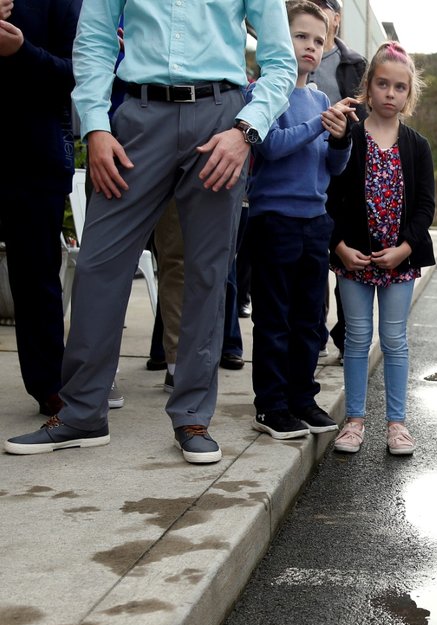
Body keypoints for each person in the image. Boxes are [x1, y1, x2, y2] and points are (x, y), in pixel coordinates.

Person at [4, 0, 297, 464]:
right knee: (99, 264)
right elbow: (95, 44)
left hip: (222, 123)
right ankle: (81, 411)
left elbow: (281, 60)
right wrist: (95, 128)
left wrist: (246, 130)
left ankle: (192, 417)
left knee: (205, 272)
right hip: (138, 119)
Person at [248, 0, 352, 440]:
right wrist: (316, 127)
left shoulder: (321, 98)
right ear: (278, 39)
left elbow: (332, 168)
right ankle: (271, 405)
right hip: (274, 219)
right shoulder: (263, 93)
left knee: (310, 316)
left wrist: (341, 140)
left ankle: (301, 397)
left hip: (315, 221)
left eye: (318, 40)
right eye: (300, 37)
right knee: (275, 318)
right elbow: (268, 146)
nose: (310, 46)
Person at [327, 41, 435, 456]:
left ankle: (396, 423)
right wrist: (338, 246)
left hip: (398, 261)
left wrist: (405, 248)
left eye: (400, 87)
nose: (391, 94)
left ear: (410, 94)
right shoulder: (349, 135)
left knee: (394, 340)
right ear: (368, 87)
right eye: (383, 84)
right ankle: (354, 421)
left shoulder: (416, 145)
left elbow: (425, 205)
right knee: (356, 338)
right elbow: (331, 194)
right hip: (353, 257)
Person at [0, 0, 80, 417]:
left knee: (36, 278)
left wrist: (21, 51)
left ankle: (49, 385)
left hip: (34, 157)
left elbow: (78, 73)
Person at [309, 0, 368, 361]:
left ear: (337, 17)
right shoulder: (290, 52)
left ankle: (348, 340)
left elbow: (364, 113)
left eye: (325, 4)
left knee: (347, 254)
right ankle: (313, 336)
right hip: (304, 169)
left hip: (343, 164)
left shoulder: (354, 63)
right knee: (315, 260)